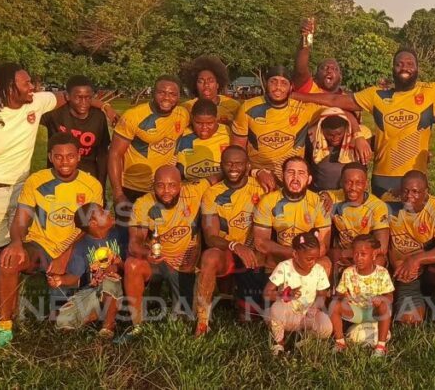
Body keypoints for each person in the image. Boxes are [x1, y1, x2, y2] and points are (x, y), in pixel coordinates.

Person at [0, 63, 113, 311]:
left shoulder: (35, 102)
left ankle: (26, 301)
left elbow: (72, 96)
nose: (33, 87)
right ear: (9, 88)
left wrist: (102, 106)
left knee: (23, 246)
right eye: (26, 83)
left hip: (23, 187)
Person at [293, 48, 435, 196]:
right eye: (399, 63)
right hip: (383, 177)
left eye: (410, 63)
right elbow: (334, 99)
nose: (405, 67)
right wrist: (296, 96)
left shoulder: (433, 91)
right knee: (385, 233)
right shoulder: (376, 95)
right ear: (393, 68)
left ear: (417, 68)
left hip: (416, 179)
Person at [0, 133, 104, 349]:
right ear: (50, 156)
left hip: (74, 248)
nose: (65, 162)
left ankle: (92, 308)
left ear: (79, 156)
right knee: (9, 260)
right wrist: (15, 243)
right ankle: (4, 328)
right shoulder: (37, 180)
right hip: (40, 246)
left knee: (62, 321)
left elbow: (90, 228)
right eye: (58, 156)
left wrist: (64, 256)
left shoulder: (91, 185)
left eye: (70, 156)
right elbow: (21, 220)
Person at [119, 166, 217, 343]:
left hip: (185, 265)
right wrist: (147, 253)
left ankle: (180, 304)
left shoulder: (194, 190)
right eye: (160, 186)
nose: (166, 191)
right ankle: (137, 325)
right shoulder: (143, 203)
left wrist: (256, 172)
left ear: (181, 185)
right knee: (132, 264)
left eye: (172, 185)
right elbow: (134, 244)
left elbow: (225, 172)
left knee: (186, 318)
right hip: (158, 261)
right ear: (153, 185)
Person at [232, 66, 366, 191]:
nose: (278, 87)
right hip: (259, 178)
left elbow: (340, 110)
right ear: (266, 82)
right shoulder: (247, 108)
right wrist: (257, 172)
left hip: (293, 178)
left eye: (283, 83)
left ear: (291, 87)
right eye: (273, 82)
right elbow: (237, 151)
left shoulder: (303, 108)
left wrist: (358, 136)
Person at [384, 170, 435, 334]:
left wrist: (417, 260)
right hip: (404, 274)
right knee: (408, 324)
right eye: (405, 191)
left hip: (428, 272)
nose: (408, 196)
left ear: (426, 192)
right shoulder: (388, 203)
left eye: (415, 192)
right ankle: (421, 304)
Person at [197, 146, 265, 334]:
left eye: (239, 163)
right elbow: (211, 237)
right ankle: (202, 321)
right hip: (226, 250)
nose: (233, 167)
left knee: (249, 320)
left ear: (247, 165)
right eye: (228, 163)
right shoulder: (212, 193)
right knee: (210, 257)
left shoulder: (261, 188)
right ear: (221, 165)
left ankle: (258, 304)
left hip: (254, 254)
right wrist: (235, 246)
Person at [109, 76, 190, 221]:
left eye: (173, 94)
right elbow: (115, 154)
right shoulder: (133, 116)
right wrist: (118, 193)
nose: (167, 98)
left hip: (162, 189)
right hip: (133, 187)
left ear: (179, 96)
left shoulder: (182, 114)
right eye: (162, 92)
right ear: (153, 92)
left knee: (158, 236)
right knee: (127, 236)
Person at [52, 202, 123, 339]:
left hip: (118, 289)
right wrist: (61, 280)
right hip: (93, 291)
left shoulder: (118, 235)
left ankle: (108, 326)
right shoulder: (81, 245)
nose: (108, 212)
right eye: (102, 212)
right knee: (63, 321)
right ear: (93, 223)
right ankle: (98, 314)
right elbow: (74, 276)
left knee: (110, 280)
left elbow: (129, 266)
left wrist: (118, 264)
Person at [253, 157, 333, 277]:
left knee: (325, 263)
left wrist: (303, 257)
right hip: (279, 258)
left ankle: (315, 294)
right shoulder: (268, 201)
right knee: (262, 258)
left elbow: (323, 245)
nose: (295, 178)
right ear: (283, 176)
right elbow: (260, 242)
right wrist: (290, 253)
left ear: (309, 179)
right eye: (290, 172)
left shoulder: (318, 202)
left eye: (301, 173)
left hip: (309, 258)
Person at [264, 229, 333, 356]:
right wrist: (284, 295)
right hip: (287, 314)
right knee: (276, 309)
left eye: (316, 258)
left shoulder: (318, 270)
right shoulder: (284, 267)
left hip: (307, 316)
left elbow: (322, 294)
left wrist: (316, 306)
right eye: (309, 259)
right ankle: (279, 343)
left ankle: (305, 340)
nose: (313, 262)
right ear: (295, 254)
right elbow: (267, 293)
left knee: (326, 327)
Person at [319, 163, 391, 280]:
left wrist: (353, 253)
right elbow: (318, 195)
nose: (353, 187)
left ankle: (366, 293)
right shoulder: (334, 198)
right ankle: (332, 292)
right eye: (348, 182)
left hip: (365, 254)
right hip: (341, 253)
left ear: (366, 184)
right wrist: (323, 195)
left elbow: (382, 246)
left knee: (378, 261)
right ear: (341, 182)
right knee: (328, 258)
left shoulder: (377, 206)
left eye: (358, 183)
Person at [40, 75, 112, 186]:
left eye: (88, 97)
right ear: (67, 96)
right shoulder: (54, 114)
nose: (84, 102)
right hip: (58, 175)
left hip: (87, 176)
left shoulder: (98, 117)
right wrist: (104, 105)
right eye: (79, 97)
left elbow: (102, 154)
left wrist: (100, 184)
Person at [330, 234, 394, 356]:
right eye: (355, 254)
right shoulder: (348, 272)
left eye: (363, 254)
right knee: (334, 305)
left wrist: (380, 299)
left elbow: (390, 296)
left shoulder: (382, 273)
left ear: (374, 255)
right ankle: (340, 342)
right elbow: (340, 293)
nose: (358, 258)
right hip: (356, 311)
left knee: (385, 307)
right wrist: (344, 297)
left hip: (373, 312)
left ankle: (380, 347)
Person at [305, 110, 372, 191]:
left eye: (339, 134)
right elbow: (307, 164)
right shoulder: (313, 138)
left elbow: (364, 165)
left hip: (349, 192)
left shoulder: (358, 140)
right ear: (321, 130)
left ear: (346, 129)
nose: (335, 138)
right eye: (330, 135)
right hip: (320, 191)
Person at [176, 100, 232, 181]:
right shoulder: (182, 135)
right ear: (192, 118)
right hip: (190, 188)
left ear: (216, 118)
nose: (204, 128)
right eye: (198, 123)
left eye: (209, 123)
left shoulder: (228, 132)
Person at [179, 55, 241, 125]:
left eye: (210, 81)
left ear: (217, 84)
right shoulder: (186, 107)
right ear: (195, 85)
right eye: (201, 81)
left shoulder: (233, 106)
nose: (206, 85)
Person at [294, 18, 346, 95]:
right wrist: (307, 35)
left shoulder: (348, 100)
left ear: (340, 76)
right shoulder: (310, 90)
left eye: (334, 69)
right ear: (316, 75)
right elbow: (301, 69)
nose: (329, 71)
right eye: (324, 68)